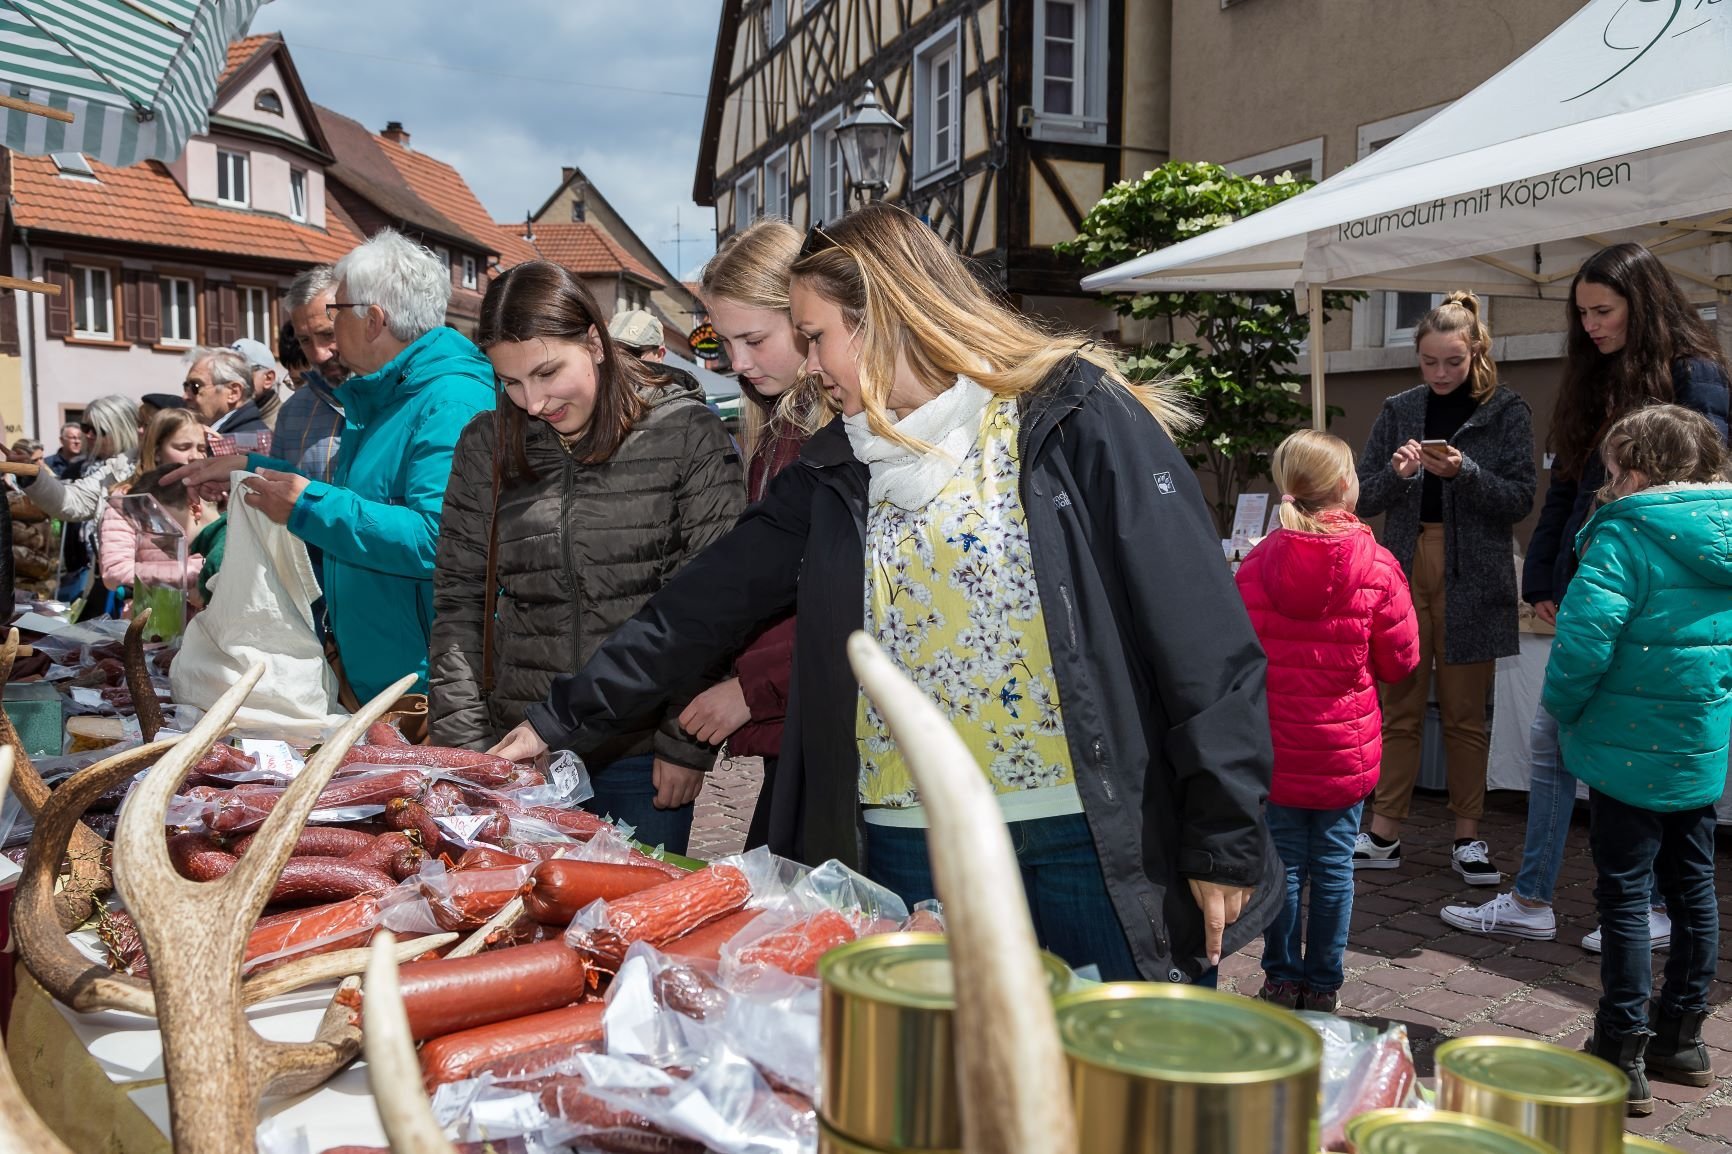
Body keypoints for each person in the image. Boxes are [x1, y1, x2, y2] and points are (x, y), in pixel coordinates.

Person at [492, 204, 1282, 984]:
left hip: (1079, 833)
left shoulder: (1070, 413)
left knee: (1103, 1062)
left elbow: (1199, 632)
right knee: (930, 1068)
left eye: (815, 337)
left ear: (883, 317)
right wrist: (560, 717)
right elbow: (699, 607)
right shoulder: (838, 467)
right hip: (906, 845)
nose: (808, 364)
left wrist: (1225, 833)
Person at [1442, 242, 1731, 949]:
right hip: (1597, 583)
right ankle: (1540, 897)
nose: (1591, 325)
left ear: (1644, 304)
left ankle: (1643, 908)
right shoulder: (1595, 375)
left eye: (1603, 311)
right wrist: (1544, 574)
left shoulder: (1694, 373)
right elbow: (1567, 482)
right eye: (1582, 314)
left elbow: (1706, 484)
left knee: (1629, 753)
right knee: (1553, 738)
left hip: (1659, 598)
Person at [429, 263, 745, 852]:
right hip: (523, 751)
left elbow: (712, 606)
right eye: (511, 382)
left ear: (595, 343)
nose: (533, 402)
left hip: (640, 754)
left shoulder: (684, 433)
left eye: (547, 372)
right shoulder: (486, 444)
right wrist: (469, 755)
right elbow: (459, 604)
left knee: (637, 907)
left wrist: (684, 743)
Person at [170, 228, 495, 703]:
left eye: (336, 312)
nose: (330, 331)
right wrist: (253, 468)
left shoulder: (450, 400)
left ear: (373, 320)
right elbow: (367, 502)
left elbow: (440, 539)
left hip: (430, 687)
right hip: (387, 678)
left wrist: (308, 505)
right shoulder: (387, 394)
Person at [1545, 404, 1732, 1115]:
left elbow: (1583, 642)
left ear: (1640, 470)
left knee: (1624, 896)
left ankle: (1621, 1049)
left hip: (1624, 745)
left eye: (1615, 468)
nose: (1608, 480)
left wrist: (1563, 707)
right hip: (1696, 740)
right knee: (1693, 890)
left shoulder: (1625, 533)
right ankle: (1682, 1037)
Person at [1353, 292, 1536, 883]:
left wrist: (1465, 471)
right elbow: (1362, 495)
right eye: (1429, 361)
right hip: (1403, 567)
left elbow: (1520, 498)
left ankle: (1467, 836)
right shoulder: (1400, 408)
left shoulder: (1505, 410)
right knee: (1399, 707)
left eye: (1452, 361)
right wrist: (1398, 473)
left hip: (1473, 576)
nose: (1439, 373)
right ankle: (1384, 832)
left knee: (1464, 714)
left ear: (1476, 351)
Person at [1238, 431, 1419, 1014]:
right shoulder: (1378, 565)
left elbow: (1235, 657)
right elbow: (1401, 662)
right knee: (1335, 869)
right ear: (1345, 484)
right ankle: (1322, 985)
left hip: (1278, 747)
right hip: (1346, 748)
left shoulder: (1257, 563)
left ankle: (1280, 977)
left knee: (1285, 867)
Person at [678, 221, 829, 837]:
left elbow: (860, 601)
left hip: (824, 729)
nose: (737, 363)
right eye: (725, 342)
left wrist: (754, 688)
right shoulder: (777, 427)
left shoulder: (834, 435)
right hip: (793, 723)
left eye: (755, 339)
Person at [12, 396, 141, 613]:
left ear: (121, 429)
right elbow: (72, 500)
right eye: (85, 428)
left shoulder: (143, 467)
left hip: (138, 584)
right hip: (106, 578)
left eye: (96, 430)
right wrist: (31, 473)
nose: (87, 436)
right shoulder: (111, 468)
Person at [98, 409, 216, 600]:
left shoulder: (215, 494)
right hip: (155, 612)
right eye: (183, 447)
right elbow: (115, 571)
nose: (195, 456)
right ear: (157, 452)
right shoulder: (129, 500)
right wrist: (197, 570)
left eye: (202, 449)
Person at [274, 267, 348, 484]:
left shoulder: (401, 400)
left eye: (328, 334)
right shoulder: (292, 412)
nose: (318, 355)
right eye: (305, 340)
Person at [184, 347, 269, 438]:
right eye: (186, 386)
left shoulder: (244, 441)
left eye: (195, 386)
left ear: (233, 393)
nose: (185, 397)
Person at [230, 337, 291, 431]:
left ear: (268, 378)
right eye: (229, 373)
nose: (233, 380)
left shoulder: (284, 425)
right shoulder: (228, 417)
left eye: (242, 373)